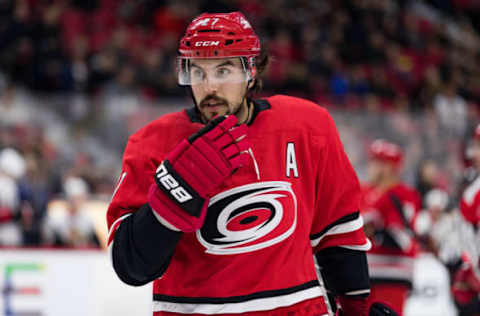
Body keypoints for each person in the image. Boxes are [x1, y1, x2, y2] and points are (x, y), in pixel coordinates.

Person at [107, 12, 371, 316]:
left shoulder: (307, 127)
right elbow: (129, 267)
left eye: (224, 70)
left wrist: (356, 309)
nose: (210, 87)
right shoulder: (152, 144)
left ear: (252, 72)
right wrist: (168, 205)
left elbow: (338, 231)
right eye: (198, 72)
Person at [360, 139, 421, 315]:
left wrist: (375, 232)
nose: (371, 166)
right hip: (363, 276)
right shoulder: (363, 191)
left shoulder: (403, 195)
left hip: (392, 276)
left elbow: (404, 240)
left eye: (378, 162)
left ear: (389, 167)